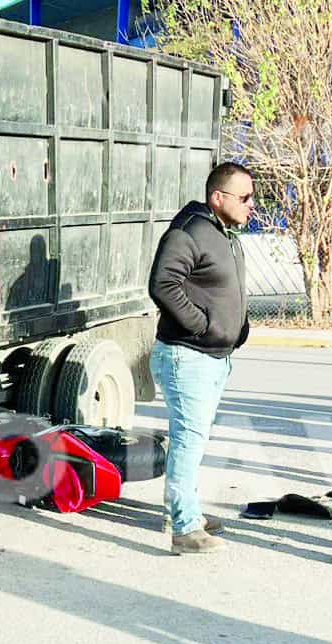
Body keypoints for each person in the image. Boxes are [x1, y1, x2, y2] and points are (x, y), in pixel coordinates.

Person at [147, 162, 255, 554]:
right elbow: (163, 284)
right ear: (218, 197)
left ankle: (181, 509)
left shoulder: (223, 233)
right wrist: (202, 325)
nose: (251, 204)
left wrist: (237, 329)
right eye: (245, 197)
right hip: (187, 355)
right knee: (189, 440)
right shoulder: (189, 231)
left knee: (193, 440)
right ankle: (185, 528)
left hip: (213, 357)